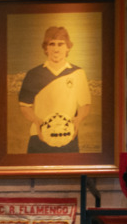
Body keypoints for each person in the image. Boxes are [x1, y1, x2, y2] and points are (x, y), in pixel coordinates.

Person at [18, 26, 91, 155]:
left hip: (68, 135)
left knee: (69, 174)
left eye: (61, 44)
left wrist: (78, 120)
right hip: (39, 136)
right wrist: (36, 120)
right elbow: (25, 106)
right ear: (46, 48)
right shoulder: (33, 74)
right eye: (52, 44)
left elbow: (85, 104)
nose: (56, 49)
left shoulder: (78, 73)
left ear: (68, 47)